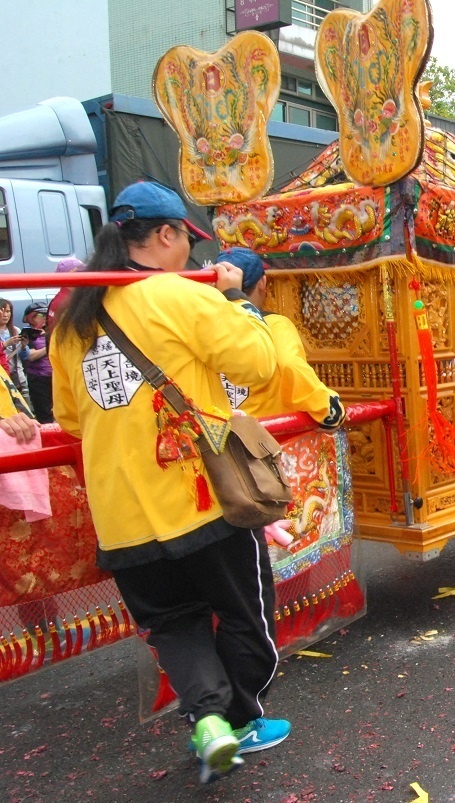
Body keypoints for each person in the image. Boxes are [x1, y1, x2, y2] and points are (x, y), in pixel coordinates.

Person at [49, 181, 288, 784]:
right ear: (164, 235)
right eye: (185, 235)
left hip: (122, 515)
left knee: (174, 624)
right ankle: (240, 719)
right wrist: (237, 301)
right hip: (202, 498)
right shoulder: (179, 296)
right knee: (243, 613)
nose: (189, 249)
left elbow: (72, 419)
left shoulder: (73, 318)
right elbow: (259, 364)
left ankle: (207, 721)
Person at [218, 248, 346, 430]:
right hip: (267, 437)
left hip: (220, 437)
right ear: (263, 282)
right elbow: (289, 365)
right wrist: (328, 410)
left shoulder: (205, 327)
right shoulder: (275, 325)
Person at [21, 302, 54, 424]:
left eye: (46, 314)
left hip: (56, 377)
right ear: (31, 317)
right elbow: (31, 356)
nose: (45, 317)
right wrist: (50, 346)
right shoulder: (28, 334)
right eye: (41, 314)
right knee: (44, 415)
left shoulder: (52, 331)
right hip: (38, 379)